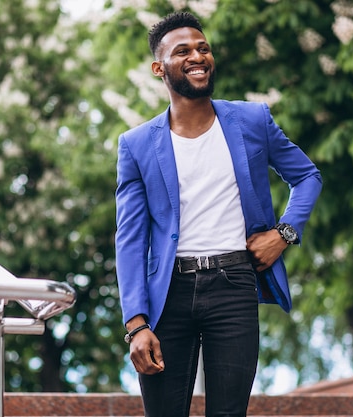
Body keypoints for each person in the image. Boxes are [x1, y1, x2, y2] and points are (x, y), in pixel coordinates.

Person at [115, 11, 322, 417]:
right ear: (159, 68)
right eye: (183, 51)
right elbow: (130, 238)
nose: (197, 56)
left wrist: (284, 233)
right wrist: (136, 324)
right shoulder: (136, 144)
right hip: (167, 296)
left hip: (234, 285)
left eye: (203, 48)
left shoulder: (252, 120)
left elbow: (308, 176)